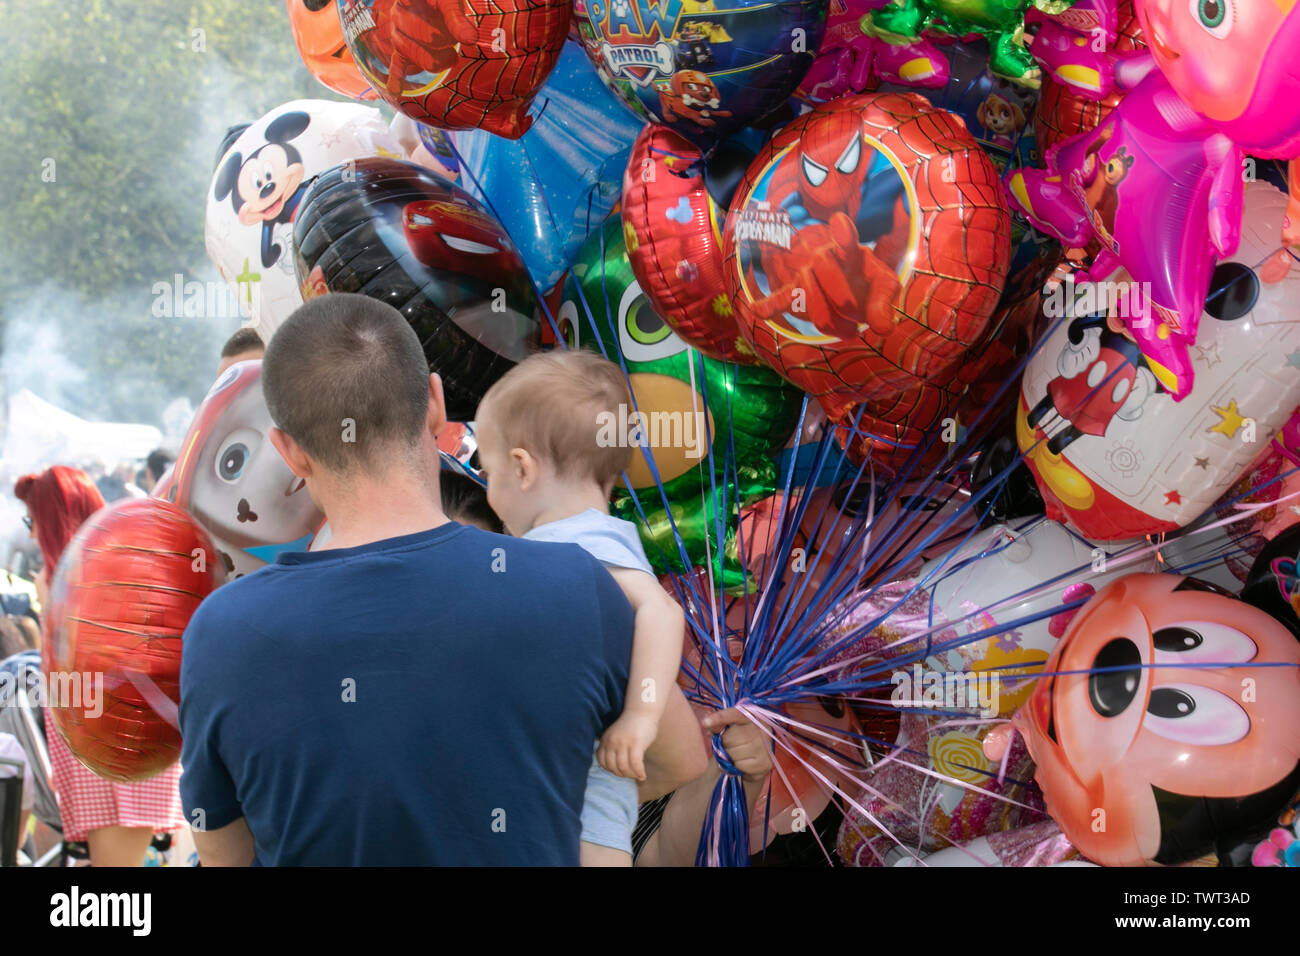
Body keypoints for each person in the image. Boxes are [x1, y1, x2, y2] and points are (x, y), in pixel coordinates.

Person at [179, 293, 702, 866]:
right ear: (435, 403)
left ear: (290, 453)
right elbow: (680, 760)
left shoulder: (221, 634)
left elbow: (223, 853)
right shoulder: (579, 587)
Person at [475, 350, 707, 866]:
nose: (489, 491)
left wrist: (642, 717)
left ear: (521, 467)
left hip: (585, 810)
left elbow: (662, 613)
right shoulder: (584, 542)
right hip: (574, 801)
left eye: (489, 473)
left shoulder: (579, 544)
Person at [15, 466, 187, 866]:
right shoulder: (104, 570)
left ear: (53, 519)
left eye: (33, 520)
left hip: (114, 750)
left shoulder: (81, 581)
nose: (30, 533)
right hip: (106, 748)